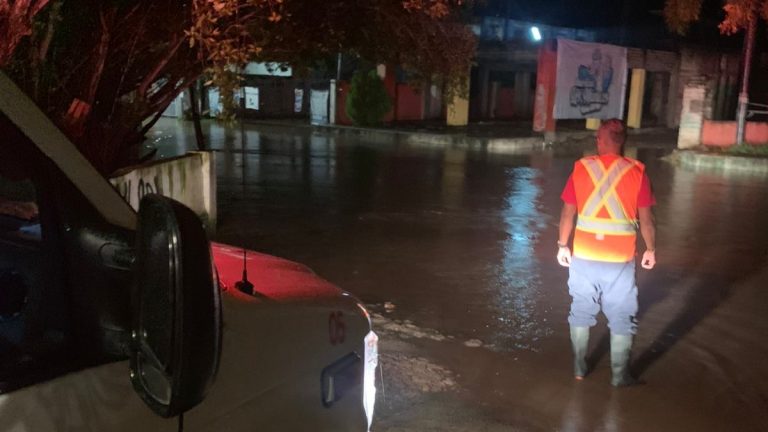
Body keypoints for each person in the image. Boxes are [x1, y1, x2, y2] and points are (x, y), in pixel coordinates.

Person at [556, 119, 656, 387]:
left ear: (601, 140)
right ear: (623, 141)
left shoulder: (581, 168)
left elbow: (568, 212)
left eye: (597, 138)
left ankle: (579, 369)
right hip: (619, 259)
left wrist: (562, 245)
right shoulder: (637, 172)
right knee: (622, 315)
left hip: (584, 254)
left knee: (580, 309)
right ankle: (620, 376)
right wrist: (651, 249)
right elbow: (647, 220)